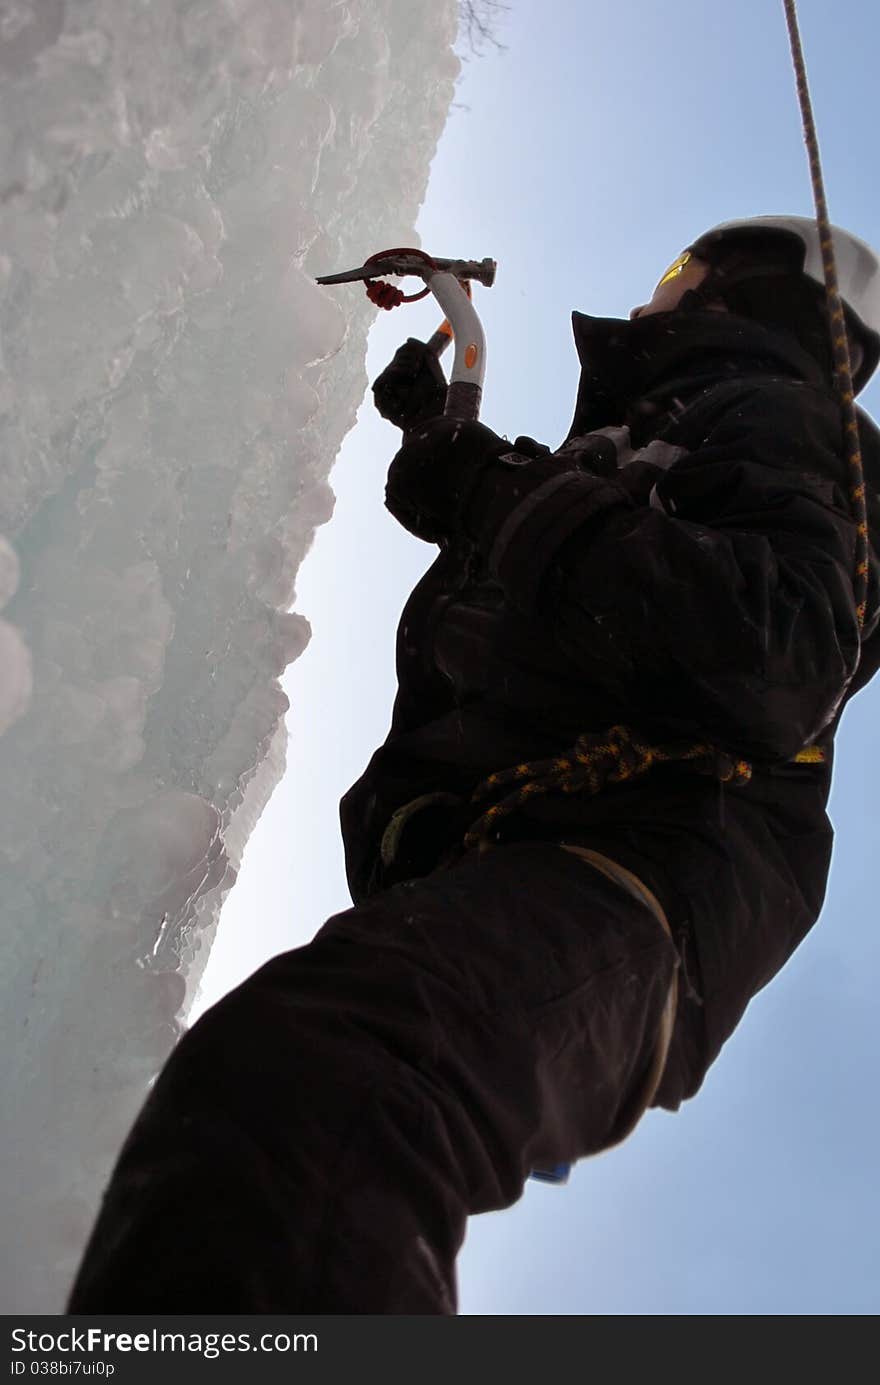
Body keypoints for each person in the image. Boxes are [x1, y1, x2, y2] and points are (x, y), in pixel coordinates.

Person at [68, 215, 880, 1313]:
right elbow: (556, 585)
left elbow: (768, 652)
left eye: (677, 270)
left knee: (318, 1088)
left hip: (637, 873)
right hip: (533, 857)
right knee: (304, 1096)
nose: (659, 290)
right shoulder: (655, 436)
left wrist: (488, 488)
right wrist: (440, 444)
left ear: (738, 288)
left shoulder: (781, 420)